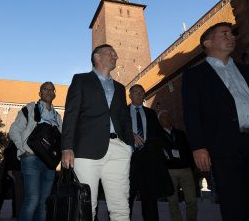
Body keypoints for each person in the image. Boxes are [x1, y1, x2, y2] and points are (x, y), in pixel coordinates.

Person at [182, 22, 249, 221]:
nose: (232, 37)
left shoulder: (247, 71)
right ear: (208, 42)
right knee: (234, 203)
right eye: (224, 34)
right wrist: (198, 146)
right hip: (224, 145)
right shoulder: (195, 75)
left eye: (232, 34)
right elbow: (191, 112)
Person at [61, 44, 135, 221]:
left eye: (115, 54)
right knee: (86, 208)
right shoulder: (81, 80)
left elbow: (125, 119)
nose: (115, 56)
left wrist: (129, 146)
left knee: (121, 208)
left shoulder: (119, 88)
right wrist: (67, 147)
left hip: (119, 150)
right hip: (87, 151)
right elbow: (71, 114)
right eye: (110, 53)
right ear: (97, 57)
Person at [9, 81, 62, 221]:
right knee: (32, 199)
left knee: (44, 203)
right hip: (31, 159)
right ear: (40, 93)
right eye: (45, 89)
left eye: (52, 89)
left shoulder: (57, 116)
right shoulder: (30, 109)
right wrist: (23, 149)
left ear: (55, 94)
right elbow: (14, 130)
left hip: (49, 164)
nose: (49, 91)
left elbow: (61, 140)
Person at [128, 84, 172, 221]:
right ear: (130, 95)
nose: (139, 94)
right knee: (125, 198)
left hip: (148, 160)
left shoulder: (151, 113)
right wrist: (130, 135)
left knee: (150, 201)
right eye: (135, 92)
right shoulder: (122, 112)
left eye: (141, 92)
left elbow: (159, 134)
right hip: (128, 160)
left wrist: (162, 150)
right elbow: (116, 131)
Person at [158, 110, 197, 221]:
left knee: (192, 200)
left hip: (185, 170)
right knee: (173, 201)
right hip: (170, 171)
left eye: (168, 116)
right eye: (163, 117)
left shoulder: (180, 134)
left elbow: (188, 151)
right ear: (159, 121)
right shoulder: (158, 136)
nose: (166, 118)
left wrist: (191, 166)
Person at [0, 140, 23, 219]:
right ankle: (14, 213)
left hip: (9, 173)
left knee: (4, 194)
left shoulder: (8, 150)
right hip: (13, 173)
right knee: (14, 195)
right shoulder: (17, 150)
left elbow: (7, 162)